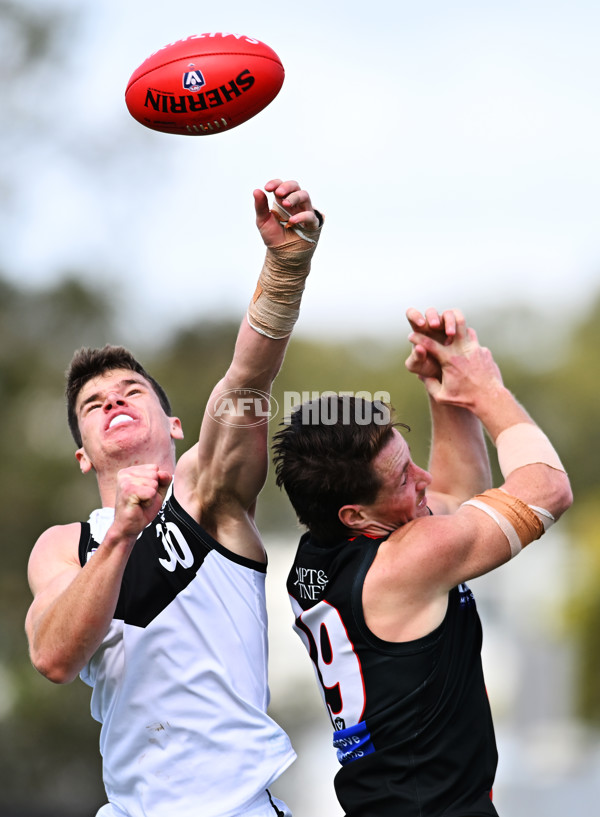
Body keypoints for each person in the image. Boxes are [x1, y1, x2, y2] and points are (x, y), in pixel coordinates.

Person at [25, 178, 323, 817]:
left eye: (132, 391)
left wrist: (284, 267)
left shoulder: (208, 492)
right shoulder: (63, 547)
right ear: (84, 454)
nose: (113, 402)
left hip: (240, 807)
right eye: (93, 405)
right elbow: (52, 654)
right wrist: (120, 535)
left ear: (176, 425)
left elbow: (249, 377)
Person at [273, 307, 572, 817]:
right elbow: (548, 490)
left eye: (408, 455)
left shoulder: (324, 550)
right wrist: (486, 390)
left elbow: (457, 495)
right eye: (400, 475)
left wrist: (444, 390)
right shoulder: (408, 562)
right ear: (356, 513)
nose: (422, 476)